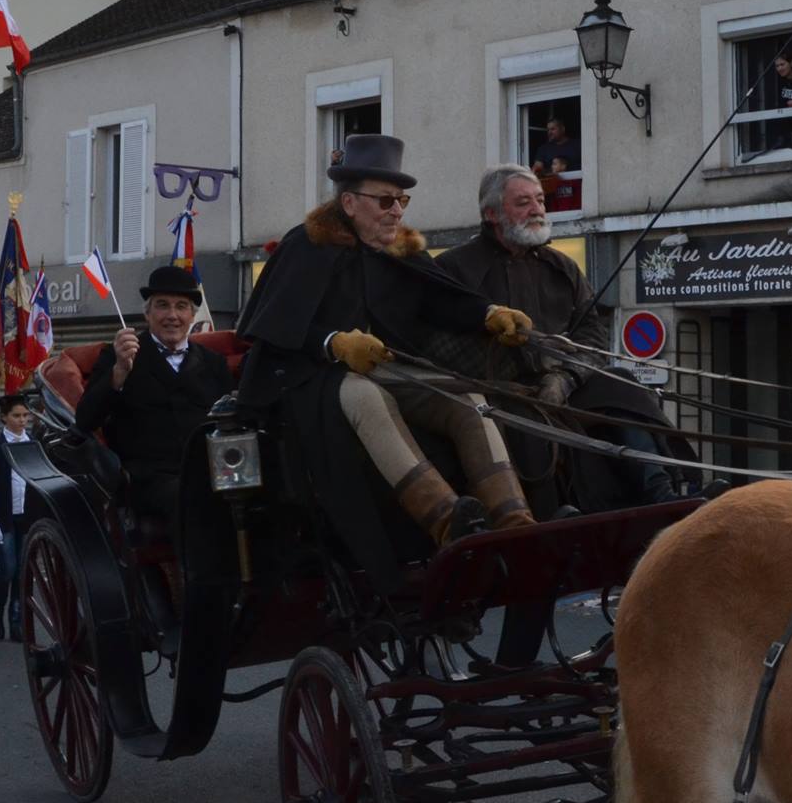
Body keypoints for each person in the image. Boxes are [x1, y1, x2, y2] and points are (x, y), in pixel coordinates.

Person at [236, 134, 536, 577]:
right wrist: (334, 342)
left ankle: (515, 523)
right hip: (312, 382)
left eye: (401, 200)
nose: (396, 210)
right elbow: (274, 325)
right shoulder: (307, 245)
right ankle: (447, 521)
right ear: (350, 203)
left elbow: (443, 301)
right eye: (385, 201)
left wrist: (489, 313)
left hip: (391, 371)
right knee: (363, 395)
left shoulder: (402, 252)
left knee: (469, 402)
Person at [437, 164, 695, 508]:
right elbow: (440, 344)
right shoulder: (454, 269)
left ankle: (661, 491)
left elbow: (592, 336)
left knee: (622, 385)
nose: (537, 210)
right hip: (499, 390)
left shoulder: (562, 268)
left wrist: (566, 376)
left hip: (565, 384)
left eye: (540, 201)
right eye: (523, 202)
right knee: (526, 428)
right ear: (492, 213)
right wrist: (520, 361)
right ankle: (547, 516)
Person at [75, 265, 236, 524]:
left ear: (192, 316)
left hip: (213, 472)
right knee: (192, 501)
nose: (172, 315)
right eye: (162, 305)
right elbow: (85, 420)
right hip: (149, 482)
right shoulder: (117, 356)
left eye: (181, 306)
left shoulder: (214, 363)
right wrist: (118, 373)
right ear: (148, 314)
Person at [0, 395, 34, 642]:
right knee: (8, 568)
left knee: (23, 571)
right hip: (4, 518)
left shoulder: (32, 443)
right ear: (4, 417)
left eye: (25, 416)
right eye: (16, 416)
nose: (22, 421)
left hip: (27, 517)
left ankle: (17, 619)